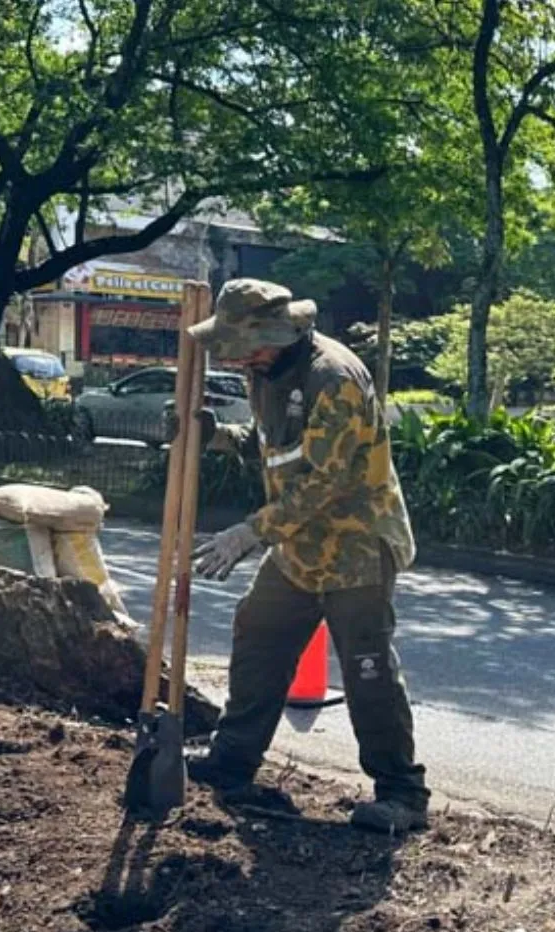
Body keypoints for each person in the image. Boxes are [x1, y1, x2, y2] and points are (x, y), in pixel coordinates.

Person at [178, 280, 429, 834]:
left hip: (357, 545)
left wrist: (250, 533)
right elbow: (274, 443)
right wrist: (217, 434)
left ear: (270, 335)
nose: (229, 357)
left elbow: (325, 483)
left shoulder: (333, 378)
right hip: (300, 547)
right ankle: (232, 761)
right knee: (259, 632)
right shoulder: (264, 371)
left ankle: (402, 794)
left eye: (237, 345)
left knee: (367, 670)